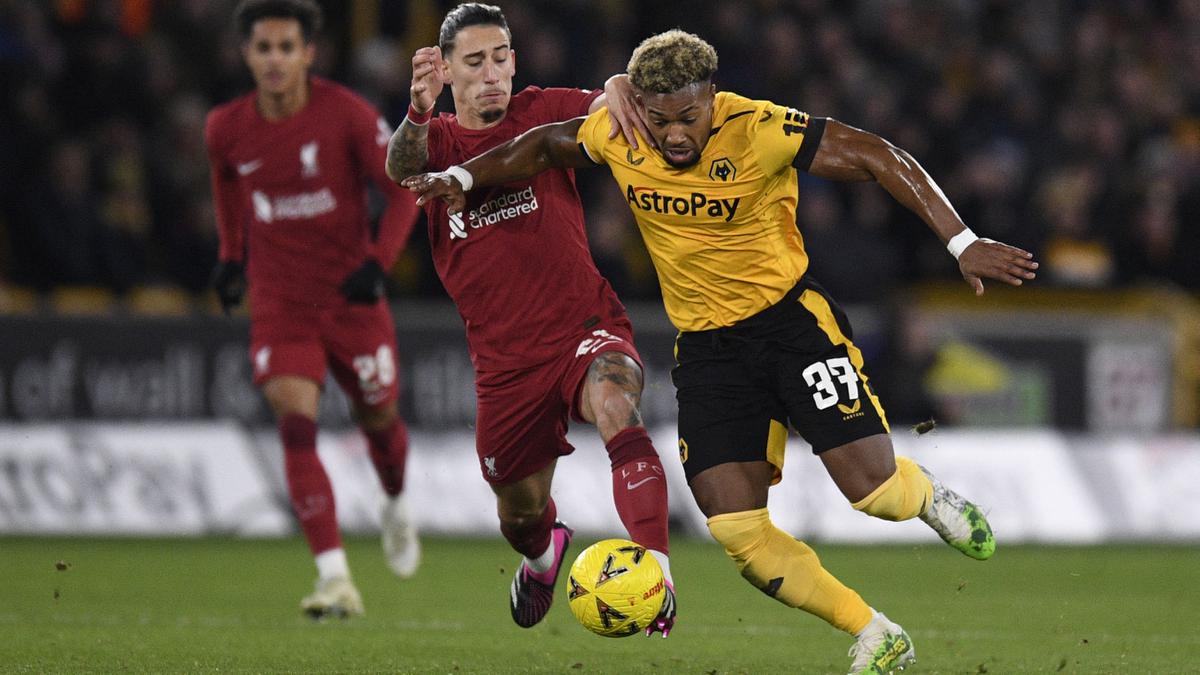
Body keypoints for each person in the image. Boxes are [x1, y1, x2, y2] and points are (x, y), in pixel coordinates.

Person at [404, 29, 1040, 674]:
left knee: (872, 493)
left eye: (689, 117)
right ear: (642, 111)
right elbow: (542, 146)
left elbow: (878, 155)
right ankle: (875, 632)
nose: (675, 135)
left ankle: (929, 499)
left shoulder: (759, 128)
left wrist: (961, 243)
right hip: (709, 353)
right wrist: (461, 174)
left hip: (791, 326)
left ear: (713, 97)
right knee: (737, 531)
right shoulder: (621, 134)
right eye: (660, 121)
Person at [384, 3, 676, 636]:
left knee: (617, 402)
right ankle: (545, 558)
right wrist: (416, 110)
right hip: (505, 365)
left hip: (584, 326)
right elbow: (399, 169)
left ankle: (658, 570)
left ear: (514, 60)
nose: (491, 74)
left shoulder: (542, 110)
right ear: (445, 71)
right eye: (474, 62)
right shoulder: (433, 142)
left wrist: (624, 84)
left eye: (500, 58)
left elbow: (610, 107)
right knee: (519, 516)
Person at [205, 0, 421, 619]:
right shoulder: (224, 127)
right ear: (247, 54)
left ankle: (396, 501)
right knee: (294, 425)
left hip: (352, 299)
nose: (274, 60)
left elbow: (404, 186)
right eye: (263, 48)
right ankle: (335, 578)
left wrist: (380, 263)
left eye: (285, 48)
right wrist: (230, 255)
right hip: (281, 303)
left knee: (379, 422)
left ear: (308, 53)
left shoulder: (347, 116)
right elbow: (226, 183)